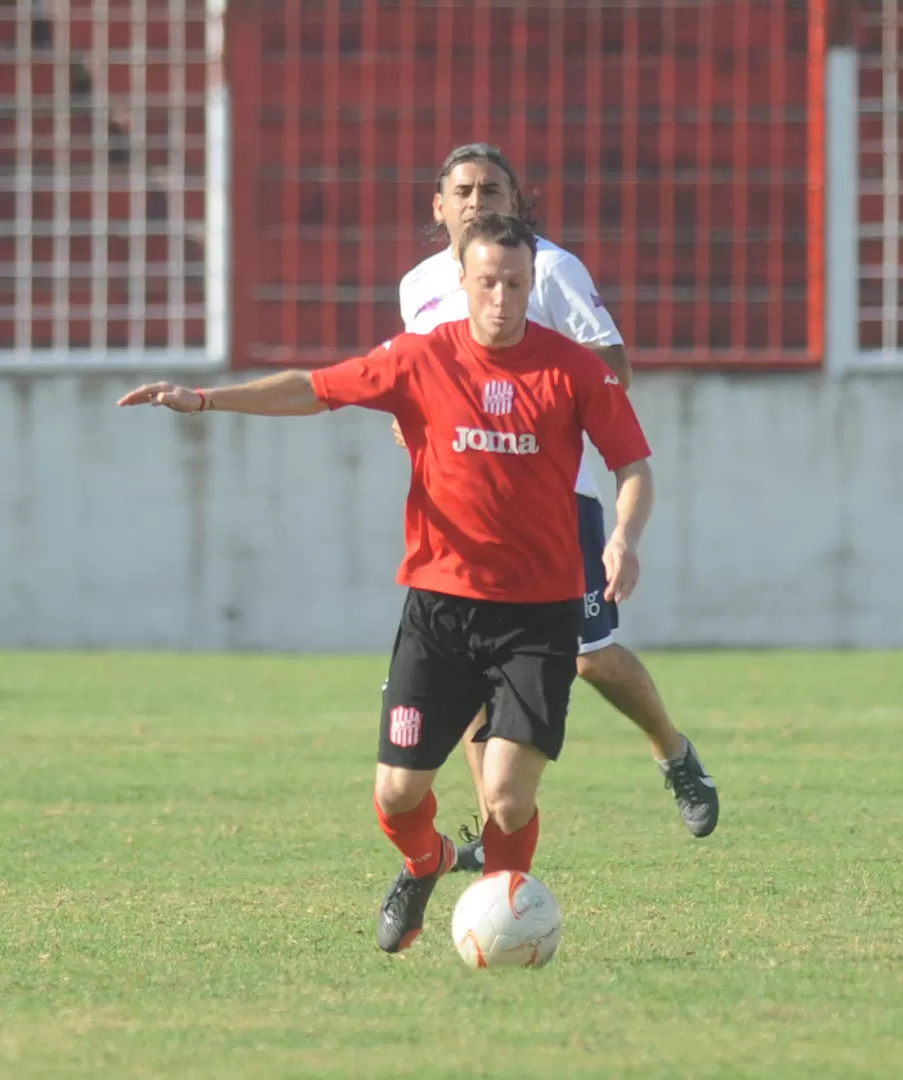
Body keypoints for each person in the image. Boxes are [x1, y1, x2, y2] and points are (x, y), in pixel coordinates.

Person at [118, 213, 654, 954]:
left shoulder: (573, 368)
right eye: (488, 281)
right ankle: (424, 860)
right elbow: (312, 389)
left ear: (533, 286)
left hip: (538, 616)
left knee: (504, 796)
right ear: (461, 281)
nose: (501, 297)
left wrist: (623, 536)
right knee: (396, 796)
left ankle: (498, 925)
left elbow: (633, 467)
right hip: (438, 613)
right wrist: (206, 399)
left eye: (516, 283)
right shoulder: (420, 358)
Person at [397, 144, 718, 859]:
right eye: (464, 191)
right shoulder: (417, 286)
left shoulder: (548, 270)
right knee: (475, 668)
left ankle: (674, 755)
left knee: (591, 656)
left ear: (516, 201)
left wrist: (520, 391)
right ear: (438, 206)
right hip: (462, 510)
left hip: (554, 501)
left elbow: (612, 369)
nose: (478, 202)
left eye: (492, 190)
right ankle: (493, 828)